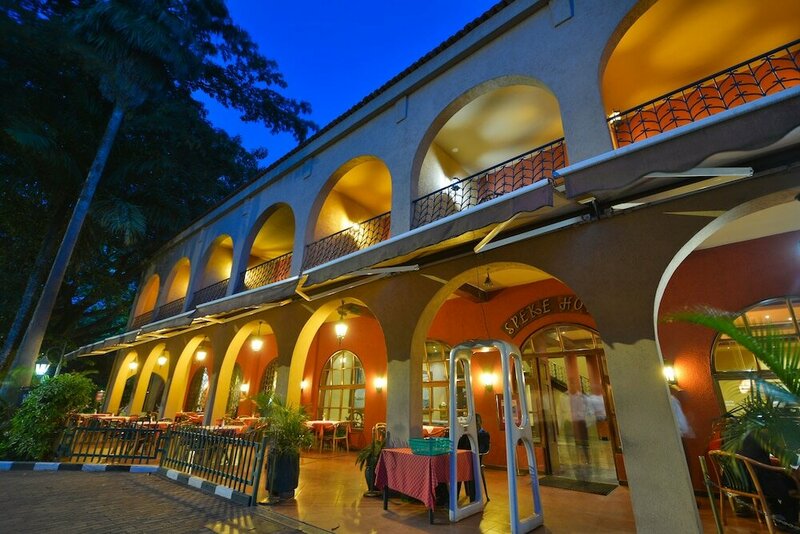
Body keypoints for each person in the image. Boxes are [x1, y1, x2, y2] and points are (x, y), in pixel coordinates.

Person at [738, 434, 799, 528]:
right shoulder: (759, 436)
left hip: (742, 482)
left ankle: (776, 511)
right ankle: (788, 521)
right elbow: (786, 457)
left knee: (784, 477)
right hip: (759, 483)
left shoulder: (733, 436)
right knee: (792, 482)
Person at [457, 413, 490, 502]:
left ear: (480, 422)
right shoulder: (466, 435)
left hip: (475, 461)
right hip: (464, 460)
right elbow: (459, 447)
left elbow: (484, 449)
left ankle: (474, 498)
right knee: (456, 470)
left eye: (477, 422)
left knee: (469, 470)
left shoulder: (484, 434)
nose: (475, 424)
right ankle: (453, 498)